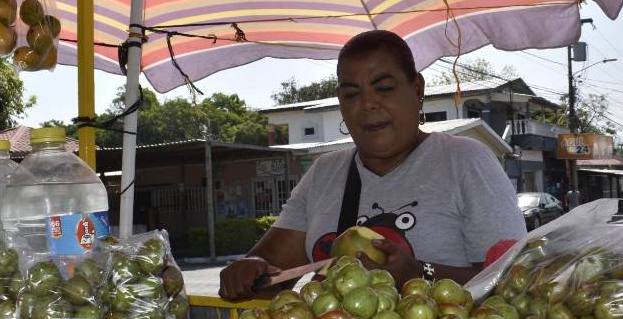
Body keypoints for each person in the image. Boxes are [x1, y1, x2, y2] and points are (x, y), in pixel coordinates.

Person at [220, 30, 527, 298]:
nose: (368, 104)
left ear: (417, 89)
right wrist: (247, 272)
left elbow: (515, 281)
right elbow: (271, 272)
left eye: (384, 88)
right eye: (352, 94)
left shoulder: (465, 161)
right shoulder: (325, 174)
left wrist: (420, 274)